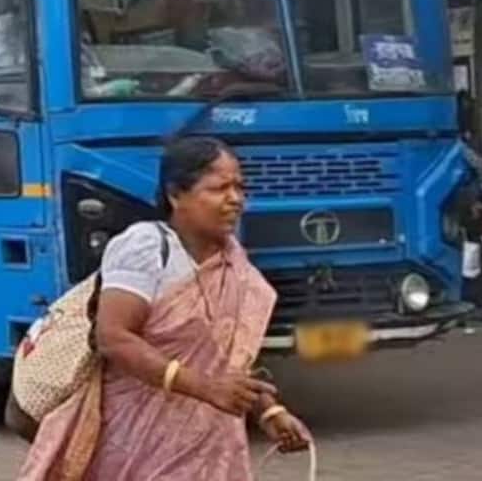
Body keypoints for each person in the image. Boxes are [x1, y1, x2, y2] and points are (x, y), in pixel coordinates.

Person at [18, 136, 312, 480]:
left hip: (210, 447)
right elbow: (114, 338)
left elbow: (233, 357)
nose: (235, 199)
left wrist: (270, 412)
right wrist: (206, 388)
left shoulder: (235, 264)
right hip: (137, 442)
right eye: (219, 188)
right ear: (175, 195)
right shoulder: (145, 248)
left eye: (239, 188)